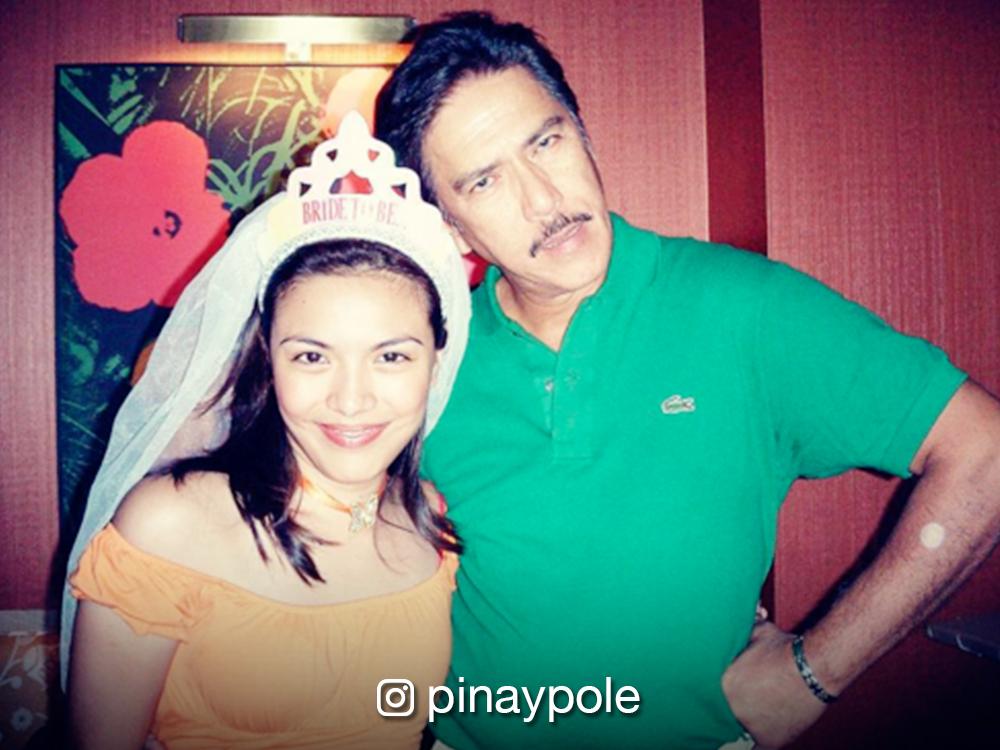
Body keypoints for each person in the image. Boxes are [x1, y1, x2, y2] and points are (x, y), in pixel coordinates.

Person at [374, 11, 1000, 750]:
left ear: (583, 132)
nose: (543, 200)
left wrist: (815, 673)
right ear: (450, 227)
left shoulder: (743, 309)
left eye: (546, 142)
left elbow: (984, 452)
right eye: (484, 181)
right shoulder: (422, 353)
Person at [61, 111, 471, 749]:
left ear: (434, 365)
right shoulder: (168, 524)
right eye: (311, 356)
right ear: (268, 362)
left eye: (391, 356)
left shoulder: (427, 521)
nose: (352, 400)